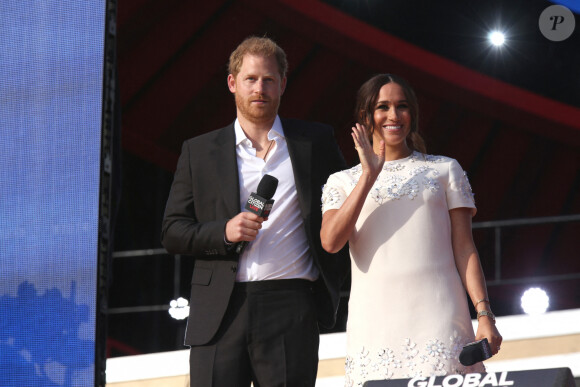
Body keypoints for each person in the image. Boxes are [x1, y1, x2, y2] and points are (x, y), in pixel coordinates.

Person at [161, 36, 349, 387]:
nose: (259, 88)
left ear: (283, 84)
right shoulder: (199, 151)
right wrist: (224, 231)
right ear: (232, 83)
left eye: (268, 79)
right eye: (250, 79)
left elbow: (346, 210)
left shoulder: (315, 142)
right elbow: (172, 230)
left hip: (291, 305)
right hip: (220, 308)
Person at [320, 74, 502, 385]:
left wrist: (484, 315)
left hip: (440, 318)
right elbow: (331, 242)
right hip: (374, 324)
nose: (393, 115)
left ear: (412, 114)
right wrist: (368, 176)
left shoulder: (444, 170)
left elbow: (465, 248)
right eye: (383, 107)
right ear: (365, 116)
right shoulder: (342, 181)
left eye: (401, 106)